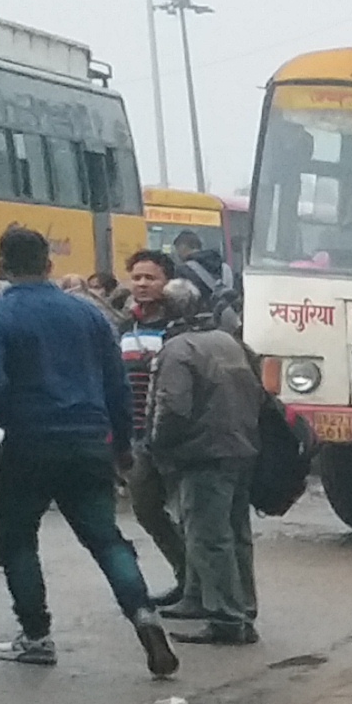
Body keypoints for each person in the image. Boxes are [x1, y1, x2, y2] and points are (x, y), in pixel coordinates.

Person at [0, 226, 173, 676]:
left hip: (29, 444)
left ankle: (36, 636)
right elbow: (117, 385)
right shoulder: (89, 316)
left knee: (18, 541)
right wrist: (120, 446)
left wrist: (10, 418)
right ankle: (144, 615)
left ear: (1, 265)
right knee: (105, 538)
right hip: (89, 442)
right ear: (48, 264)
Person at [139, 266, 268, 644]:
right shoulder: (228, 342)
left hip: (202, 455)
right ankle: (225, 604)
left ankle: (228, 619)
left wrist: (157, 446)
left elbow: (172, 410)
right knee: (234, 533)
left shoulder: (178, 351)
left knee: (208, 536)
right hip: (240, 448)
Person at [111, 247, 195, 600]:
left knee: (190, 514)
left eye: (151, 278)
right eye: (137, 278)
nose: (142, 284)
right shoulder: (124, 326)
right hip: (136, 435)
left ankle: (201, 586)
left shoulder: (180, 328)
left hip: (174, 435)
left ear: (168, 283)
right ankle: (186, 574)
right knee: (146, 509)